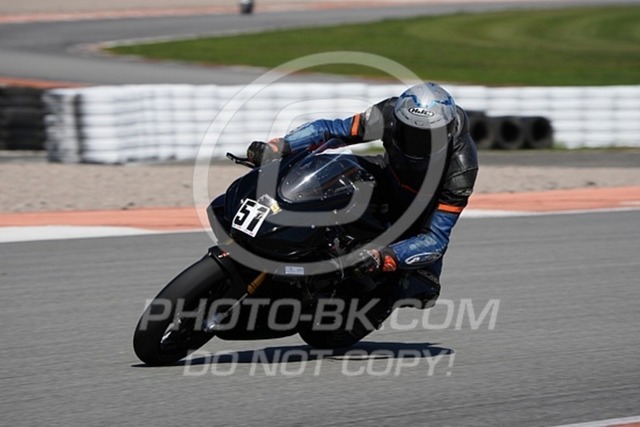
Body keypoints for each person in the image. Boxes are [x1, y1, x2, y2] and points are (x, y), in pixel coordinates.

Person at [247, 82, 478, 312]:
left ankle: (361, 310)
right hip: (388, 178)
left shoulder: (461, 170)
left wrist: (386, 257)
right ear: (398, 123)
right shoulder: (388, 113)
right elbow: (331, 130)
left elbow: (436, 238)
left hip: (421, 214)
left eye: (428, 138)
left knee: (420, 285)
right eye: (411, 134)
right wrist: (282, 146)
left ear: (448, 133)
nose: (417, 144)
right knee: (334, 168)